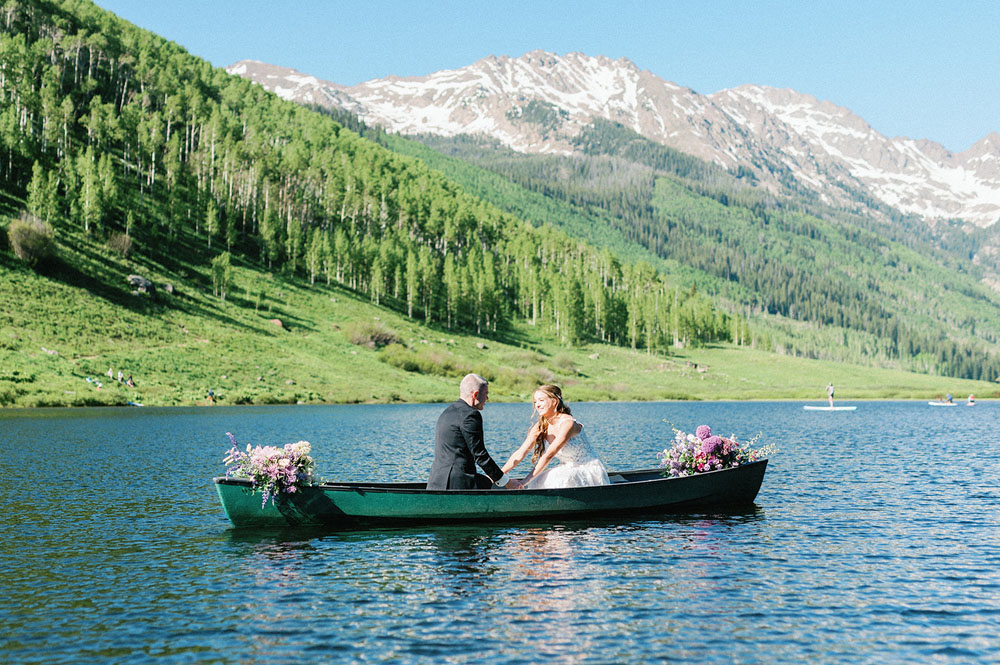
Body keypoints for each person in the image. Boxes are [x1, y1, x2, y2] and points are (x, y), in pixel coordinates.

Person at [501, 384, 610, 490]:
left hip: (588, 469)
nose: (537, 405)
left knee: (560, 478)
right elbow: (521, 453)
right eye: (535, 402)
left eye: (541, 400)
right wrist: (497, 475)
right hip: (568, 468)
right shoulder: (540, 426)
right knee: (539, 480)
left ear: (554, 401)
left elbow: (549, 455)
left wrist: (523, 482)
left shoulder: (568, 423)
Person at [427, 373, 521, 490]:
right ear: (475, 395)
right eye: (486, 394)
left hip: (435, 482)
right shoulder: (470, 415)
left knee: (488, 479)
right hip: (459, 484)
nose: (487, 398)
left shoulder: (447, 411)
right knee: (495, 483)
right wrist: (506, 482)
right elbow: (480, 455)